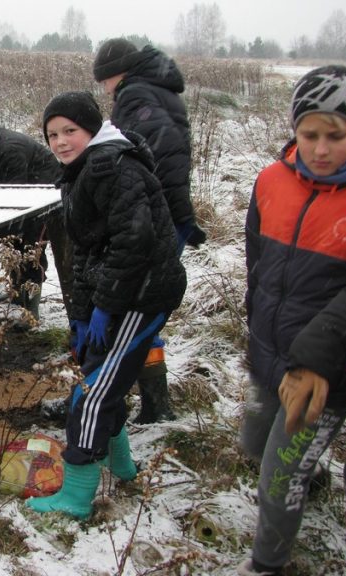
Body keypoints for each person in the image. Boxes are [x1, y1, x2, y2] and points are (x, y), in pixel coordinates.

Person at [238, 65, 346, 576]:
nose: (320, 149)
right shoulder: (272, 180)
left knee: (276, 478)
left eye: (335, 136)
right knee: (255, 442)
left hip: (330, 373)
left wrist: (336, 362)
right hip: (271, 353)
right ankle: (312, 475)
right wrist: (257, 330)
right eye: (309, 134)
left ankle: (267, 563)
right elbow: (257, 261)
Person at [25, 91, 186, 519]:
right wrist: (81, 314)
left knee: (91, 394)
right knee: (97, 370)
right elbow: (86, 252)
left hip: (142, 294)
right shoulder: (79, 172)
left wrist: (106, 306)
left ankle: (76, 498)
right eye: (52, 134)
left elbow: (136, 242)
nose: (60, 141)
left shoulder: (116, 168)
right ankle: (122, 464)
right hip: (117, 291)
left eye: (70, 131)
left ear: (92, 130)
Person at [93, 38, 206, 424]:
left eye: (103, 80)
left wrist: (151, 206)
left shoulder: (136, 94)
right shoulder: (155, 89)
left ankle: (119, 400)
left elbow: (158, 150)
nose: (104, 89)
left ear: (113, 74)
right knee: (144, 307)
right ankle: (151, 403)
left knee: (138, 307)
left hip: (157, 218)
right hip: (165, 213)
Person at [0, 105, 62, 320]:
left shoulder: (9, 148)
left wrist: (7, 221)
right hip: (26, 198)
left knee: (31, 251)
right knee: (13, 245)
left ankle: (31, 311)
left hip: (45, 202)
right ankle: (18, 294)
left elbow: (17, 192)